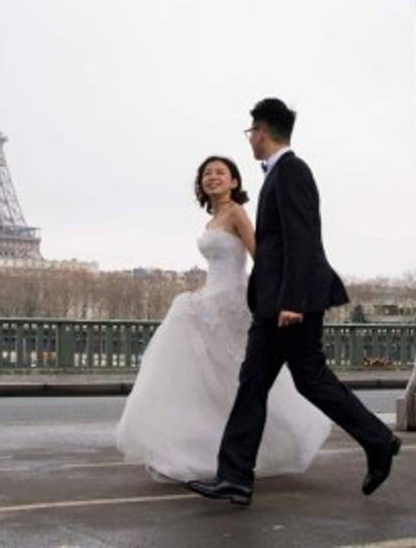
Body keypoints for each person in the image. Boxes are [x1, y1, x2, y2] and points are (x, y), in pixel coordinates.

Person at [186, 98, 401, 507]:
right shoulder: (280, 175)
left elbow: (303, 239)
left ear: (260, 134)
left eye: (251, 133)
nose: (250, 140)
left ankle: (379, 440)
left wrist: (293, 301)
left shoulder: (291, 172)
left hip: (289, 305)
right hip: (275, 303)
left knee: (308, 380)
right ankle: (234, 478)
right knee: (259, 385)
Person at [113, 154, 331, 482]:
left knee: (234, 380)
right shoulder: (213, 220)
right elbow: (217, 268)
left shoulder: (237, 213)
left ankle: (243, 450)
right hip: (210, 300)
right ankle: (211, 449)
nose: (212, 177)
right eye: (207, 173)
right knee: (213, 381)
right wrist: (202, 293)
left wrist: (271, 299)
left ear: (234, 181)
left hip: (232, 303)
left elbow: (262, 257)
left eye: (220, 172)